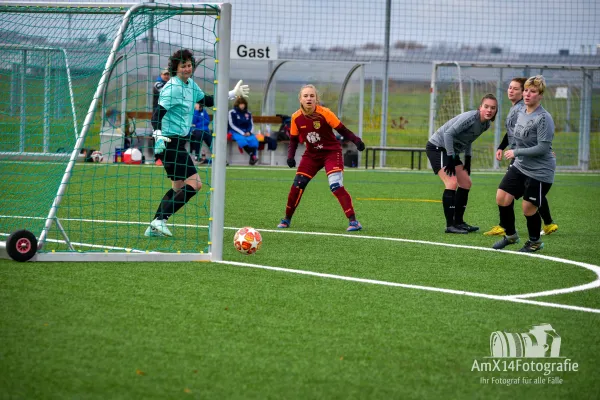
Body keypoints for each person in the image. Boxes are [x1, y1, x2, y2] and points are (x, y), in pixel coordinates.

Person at [145, 49, 249, 237]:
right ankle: (160, 220)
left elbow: (208, 100)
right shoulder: (171, 88)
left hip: (178, 142)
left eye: (189, 65)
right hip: (168, 142)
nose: (187, 68)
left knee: (177, 187)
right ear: (175, 68)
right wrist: (158, 135)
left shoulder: (190, 85)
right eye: (183, 65)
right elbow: (157, 114)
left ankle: (154, 226)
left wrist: (233, 93)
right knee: (196, 184)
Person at [276, 84, 366, 232]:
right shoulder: (295, 117)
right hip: (311, 155)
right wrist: (290, 156)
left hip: (331, 152)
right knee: (298, 183)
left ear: (316, 99)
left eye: (312, 96)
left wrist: (357, 141)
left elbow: (342, 130)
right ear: (300, 99)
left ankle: (354, 221)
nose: (309, 98)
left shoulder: (325, 113)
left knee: (335, 186)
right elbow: (293, 139)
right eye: (305, 96)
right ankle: (286, 219)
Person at [484, 78, 558, 237]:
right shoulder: (521, 111)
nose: (512, 91)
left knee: (528, 202)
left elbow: (541, 143)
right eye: (525, 90)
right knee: (504, 195)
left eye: (516, 88)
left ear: (540, 95)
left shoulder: (537, 114)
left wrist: (542, 150)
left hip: (530, 162)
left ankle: (533, 235)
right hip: (520, 159)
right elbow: (514, 134)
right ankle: (512, 233)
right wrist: (501, 147)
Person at [425, 94, 498, 234]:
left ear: (496, 111)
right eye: (486, 107)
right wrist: (452, 157)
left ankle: (459, 222)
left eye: (493, 108)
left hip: (451, 151)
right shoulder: (471, 118)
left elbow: (469, 139)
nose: (489, 110)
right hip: (437, 147)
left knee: (466, 183)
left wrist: (468, 159)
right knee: (451, 183)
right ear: (480, 108)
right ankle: (450, 225)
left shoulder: (486, 124)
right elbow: (448, 134)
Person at [228, 96, 259, 165]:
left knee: (253, 140)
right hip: (235, 132)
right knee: (242, 140)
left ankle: (252, 159)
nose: (242, 106)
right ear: (237, 104)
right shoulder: (232, 112)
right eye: (241, 104)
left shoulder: (248, 113)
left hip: (247, 132)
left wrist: (249, 132)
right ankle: (253, 156)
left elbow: (251, 124)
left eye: (243, 104)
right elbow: (232, 125)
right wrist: (242, 132)